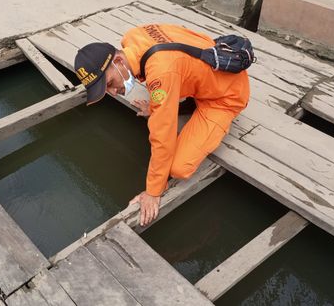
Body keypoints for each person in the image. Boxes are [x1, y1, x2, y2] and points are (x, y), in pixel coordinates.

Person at [74, 24, 250, 227]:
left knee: (178, 168)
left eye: (110, 83)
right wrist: (159, 104)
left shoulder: (161, 72)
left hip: (226, 95)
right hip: (205, 75)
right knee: (164, 95)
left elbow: (162, 137)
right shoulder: (133, 37)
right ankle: (182, 102)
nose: (113, 92)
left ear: (119, 60)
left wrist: (153, 191)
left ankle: (209, 109)